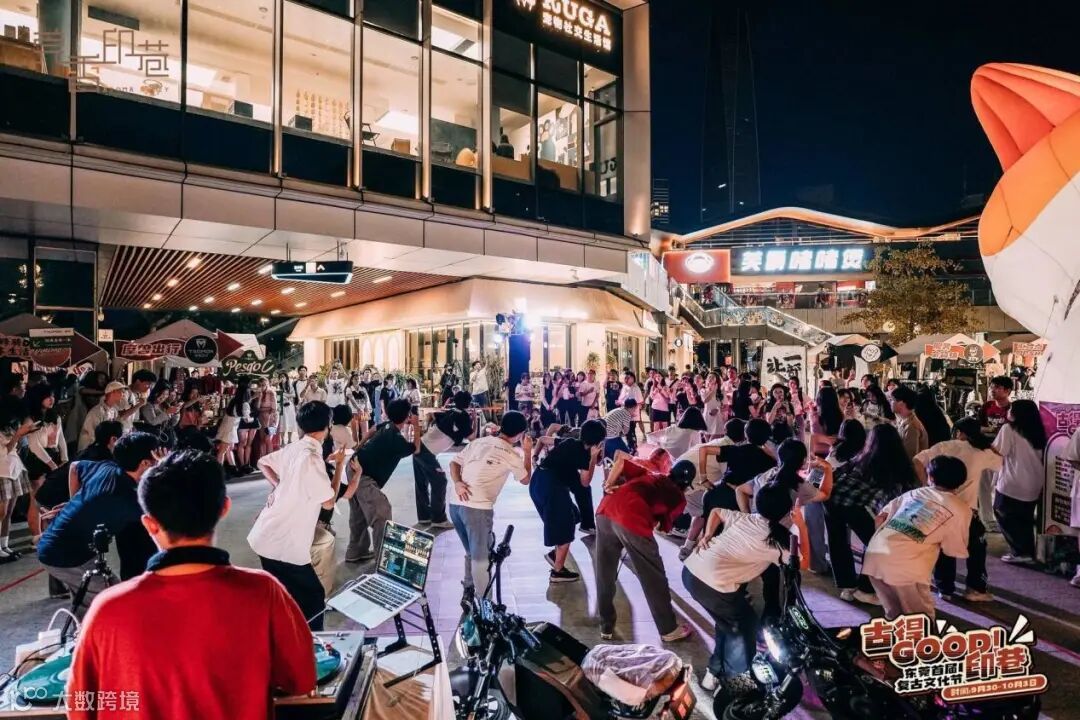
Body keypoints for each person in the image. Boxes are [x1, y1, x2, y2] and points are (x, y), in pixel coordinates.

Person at [67, 451, 316, 720]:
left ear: (149, 524)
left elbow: (79, 709)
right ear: (224, 508)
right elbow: (301, 680)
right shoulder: (263, 592)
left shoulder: (108, 608)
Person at [683, 482, 794, 693]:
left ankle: (713, 673)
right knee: (744, 628)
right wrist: (802, 526)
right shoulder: (775, 541)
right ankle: (737, 688)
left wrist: (707, 535)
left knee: (727, 623)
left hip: (691, 572)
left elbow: (716, 512)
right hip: (712, 585)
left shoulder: (747, 518)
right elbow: (802, 562)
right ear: (787, 512)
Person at [249, 401, 345, 630]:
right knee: (313, 598)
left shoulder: (295, 448)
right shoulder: (311, 457)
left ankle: (287, 638)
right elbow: (328, 501)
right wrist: (340, 466)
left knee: (286, 595)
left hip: (266, 536)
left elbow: (263, 463)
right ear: (328, 426)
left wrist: (281, 486)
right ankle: (311, 645)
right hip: (283, 543)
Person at [37, 433, 161, 597]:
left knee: (92, 601)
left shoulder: (107, 467)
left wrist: (75, 502)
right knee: (114, 600)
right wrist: (165, 469)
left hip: (58, 546)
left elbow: (75, 467)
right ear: (145, 462)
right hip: (66, 556)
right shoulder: (127, 498)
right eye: (156, 457)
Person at [595, 457, 696, 642]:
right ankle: (668, 629)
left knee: (604, 572)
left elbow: (621, 462)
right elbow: (662, 528)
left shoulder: (651, 474)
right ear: (687, 485)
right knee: (653, 577)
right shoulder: (678, 498)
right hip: (631, 518)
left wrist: (608, 484)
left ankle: (606, 625)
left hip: (606, 509)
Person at [863, 456, 972, 620]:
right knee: (921, 618)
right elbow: (953, 549)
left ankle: (897, 635)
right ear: (962, 480)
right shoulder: (961, 508)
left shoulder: (914, 493)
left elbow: (880, 518)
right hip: (906, 567)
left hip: (875, 556)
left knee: (894, 613)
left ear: (930, 477)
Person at [916, 418, 1002, 602]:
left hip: (941, 508)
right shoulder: (982, 452)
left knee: (944, 547)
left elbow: (918, 460)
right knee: (976, 549)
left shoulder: (944, 446)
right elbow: (1001, 463)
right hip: (968, 510)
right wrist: (992, 448)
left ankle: (945, 588)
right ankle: (975, 589)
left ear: (958, 432)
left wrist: (926, 486)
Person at [448, 411, 531, 594]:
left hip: (455, 504)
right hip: (476, 509)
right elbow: (526, 480)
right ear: (520, 435)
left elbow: (454, 463)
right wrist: (527, 452)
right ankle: (485, 603)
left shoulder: (479, 442)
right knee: (481, 560)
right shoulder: (510, 454)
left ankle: (469, 591)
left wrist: (458, 483)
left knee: (472, 552)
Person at [529, 419, 605, 582]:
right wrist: (592, 458)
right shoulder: (585, 455)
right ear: (598, 442)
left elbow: (542, 439)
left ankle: (555, 555)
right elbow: (585, 482)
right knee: (566, 526)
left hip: (538, 481)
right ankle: (557, 572)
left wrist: (534, 457)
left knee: (574, 515)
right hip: (551, 487)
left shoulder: (570, 442)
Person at [347, 399, 420, 563]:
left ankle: (356, 551)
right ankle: (383, 558)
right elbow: (416, 449)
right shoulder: (397, 440)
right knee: (382, 511)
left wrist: (359, 446)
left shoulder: (387, 426)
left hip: (354, 466)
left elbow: (371, 431)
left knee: (359, 513)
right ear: (407, 416)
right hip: (363, 475)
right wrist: (416, 426)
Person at [992, 399, 1046, 564]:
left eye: (1011, 409)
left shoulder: (1008, 429)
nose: (1008, 412)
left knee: (1003, 512)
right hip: (1034, 483)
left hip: (1013, 482)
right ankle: (1027, 552)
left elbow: (999, 451)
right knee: (1025, 519)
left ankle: (1020, 552)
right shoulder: (1038, 431)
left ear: (1018, 414)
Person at [412, 391, 475, 529]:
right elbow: (472, 438)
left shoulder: (451, 412)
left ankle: (424, 517)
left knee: (421, 484)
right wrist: (474, 419)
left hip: (419, 447)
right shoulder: (463, 417)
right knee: (440, 481)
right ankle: (438, 519)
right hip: (426, 452)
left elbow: (435, 416)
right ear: (469, 404)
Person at [700, 418, 775, 515]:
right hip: (741, 501)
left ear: (746, 434)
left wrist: (704, 479)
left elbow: (704, 449)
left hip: (717, 494)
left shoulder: (737, 449)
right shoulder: (770, 460)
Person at [22, 383, 68, 540]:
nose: (52, 399)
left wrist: (65, 458)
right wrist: (52, 465)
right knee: (36, 499)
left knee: (51, 498)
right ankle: (36, 535)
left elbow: (61, 438)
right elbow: (34, 446)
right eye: (48, 396)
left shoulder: (54, 415)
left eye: (53, 396)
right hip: (37, 460)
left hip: (53, 456)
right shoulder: (31, 418)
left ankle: (49, 532)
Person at [77, 381, 126, 452]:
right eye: (121, 392)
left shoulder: (114, 411)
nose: (123, 395)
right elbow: (93, 435)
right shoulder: (96, 412)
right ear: (113, 392)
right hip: (89, 451)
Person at [216, 383, 251, 476]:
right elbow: (247, 419)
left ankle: (233, 468)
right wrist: (253, 419)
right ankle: (218, 473)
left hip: (226, 426)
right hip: (231, 428)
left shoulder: (233, 401)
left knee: (228, 449)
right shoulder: (244, 404)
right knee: (222, 451)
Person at [890, 385, 929, 459]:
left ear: (901, 403)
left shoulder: (911, 427)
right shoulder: (904, 419)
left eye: (892, 400)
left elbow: (909, 458)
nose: (890, 402)